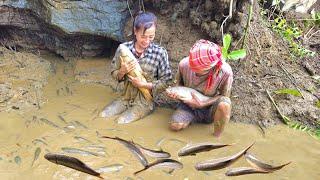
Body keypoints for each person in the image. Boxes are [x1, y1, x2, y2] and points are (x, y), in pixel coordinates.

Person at [101, 11, 172, 124]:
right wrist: (122, 71)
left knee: (121, 121)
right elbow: (114, 74)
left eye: (151, 36)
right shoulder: (124, 49)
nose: (147, 41)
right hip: (125, 97)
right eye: (143, 36)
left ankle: (146, 109)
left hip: (145, 101)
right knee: (103, 115)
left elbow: (167, 81)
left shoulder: (160, 53)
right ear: (135, 31)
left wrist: (144, 85)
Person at [166, 39, 233, 137]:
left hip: (210, 108)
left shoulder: (226, 72)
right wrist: (174, 95)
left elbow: (225, 97)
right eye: (192, 66)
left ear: (211, 67)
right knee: (174, 125)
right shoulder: (184, 64)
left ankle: (216, 137)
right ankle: (192, 119)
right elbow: (178, 85)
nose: (192, 69)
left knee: (225, 105)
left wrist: (202, 104)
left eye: (197, 69)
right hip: (189, 106)